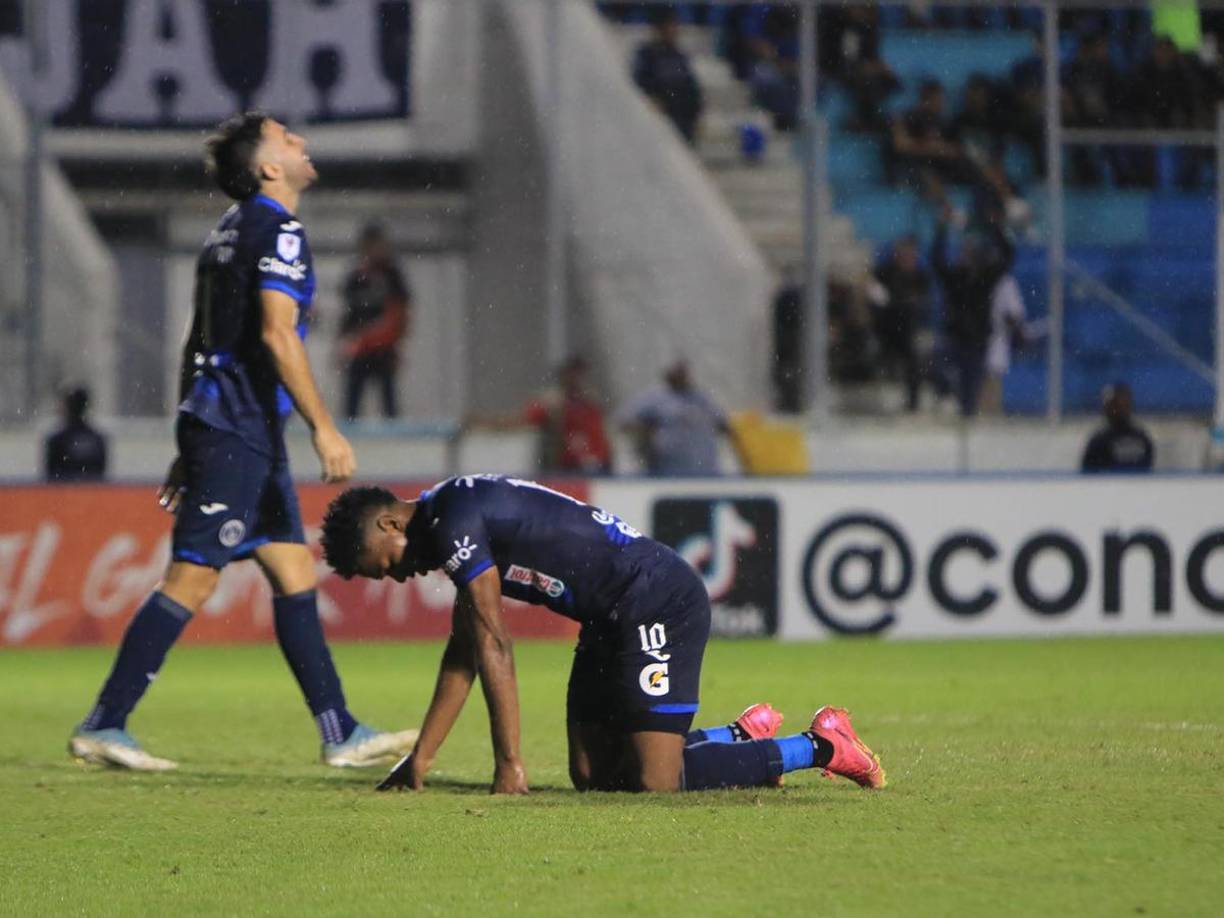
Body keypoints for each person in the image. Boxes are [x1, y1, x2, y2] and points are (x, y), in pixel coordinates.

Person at [68, 112, 417, 772]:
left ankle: (339, 728)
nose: (302, 144)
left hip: (230, 426)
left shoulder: (225, 233)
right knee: (193, 579)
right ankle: (105, 722)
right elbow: (276, 335)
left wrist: (185, 436)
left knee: (292, 569)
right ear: (268, 168)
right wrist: (324, 426)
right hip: (238, 429)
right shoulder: (278, 229)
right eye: (288, 139)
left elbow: (198, 339)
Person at [319, 475, 886, 794]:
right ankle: (736, 737)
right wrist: (420, 760)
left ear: (391, 523)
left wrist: (509, 766)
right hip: (606, 619)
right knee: (593, 776)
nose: (397, 575)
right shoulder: (450, 518)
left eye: (384, 564)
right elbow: (465, 649)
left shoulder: (452, 520)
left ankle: (821, 746)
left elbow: (495, 642)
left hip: (655, 598)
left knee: (656, 782)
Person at [931, 204, 1015, 418]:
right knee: (940, 365)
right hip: (955, 338)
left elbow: (1008, 257)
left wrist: (995, 227)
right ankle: (946, 395)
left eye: (971, 253)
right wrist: (941, 229)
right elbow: (936, 260)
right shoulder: (953, 279)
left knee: (970, 392)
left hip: (977, 341)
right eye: (964, 252)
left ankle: (965, 416)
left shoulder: (986, 280)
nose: (966, 256)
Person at [338, 223, 412, 420]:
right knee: (352, 399)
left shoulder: (392, 275)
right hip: (360, 347)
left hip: (384, 345)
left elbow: (401, 312)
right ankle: (349, 435)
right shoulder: (356, 276)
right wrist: (343, 341)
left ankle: (395, 439)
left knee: (388, 399)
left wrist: (398, 342)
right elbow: (348, 312)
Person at [619, 360, 734, 476]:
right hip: (666, 470)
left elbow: (725, 424)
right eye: (676, 373)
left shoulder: (701, 399)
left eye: (682, 373)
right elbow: (624, 422)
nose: (680, 377)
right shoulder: (654, 398)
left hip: (705, 470)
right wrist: (645, 428)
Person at [870, 236, 933, 413]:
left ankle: (913, 402)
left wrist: (907, 304)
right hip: (886, 328)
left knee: (914, 361)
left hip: (908, 329)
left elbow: (923, 302)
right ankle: (882, 399)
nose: (906, 257)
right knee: (881, 357)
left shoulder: (920, 276)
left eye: (910, 253)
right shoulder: (884, 272)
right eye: (903, 252)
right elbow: (877, 297)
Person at [631, 8, 704, 144]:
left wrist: (697, 112)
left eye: (675, 25)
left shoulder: (679, 55)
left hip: (683, 120)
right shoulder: (647, 55)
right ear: (659, 28)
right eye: (670, 25)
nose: (674, 30)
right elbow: (641, 83)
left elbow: (692, 86)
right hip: (660, 121)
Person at [978, 273, 1029, 416]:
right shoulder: (971, 275)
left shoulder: (1005, 282)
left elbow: (1016, 313)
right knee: (977, 378)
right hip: (973, 337)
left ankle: (990, 414)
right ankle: (979, 414)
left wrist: (1014, 328)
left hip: (995, 338)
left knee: (992, 377)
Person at [1081, 382, 1155, 473]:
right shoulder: (1099, 441)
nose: (1118, 408)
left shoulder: (1141, 438)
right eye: (1113, 405)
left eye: (1122, 403)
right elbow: (1088, 475)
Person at [44, 386, 108, 482]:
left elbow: (51, 476)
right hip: (91, 494)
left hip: (63, 494)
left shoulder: (57, 440)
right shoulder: (97, 439)